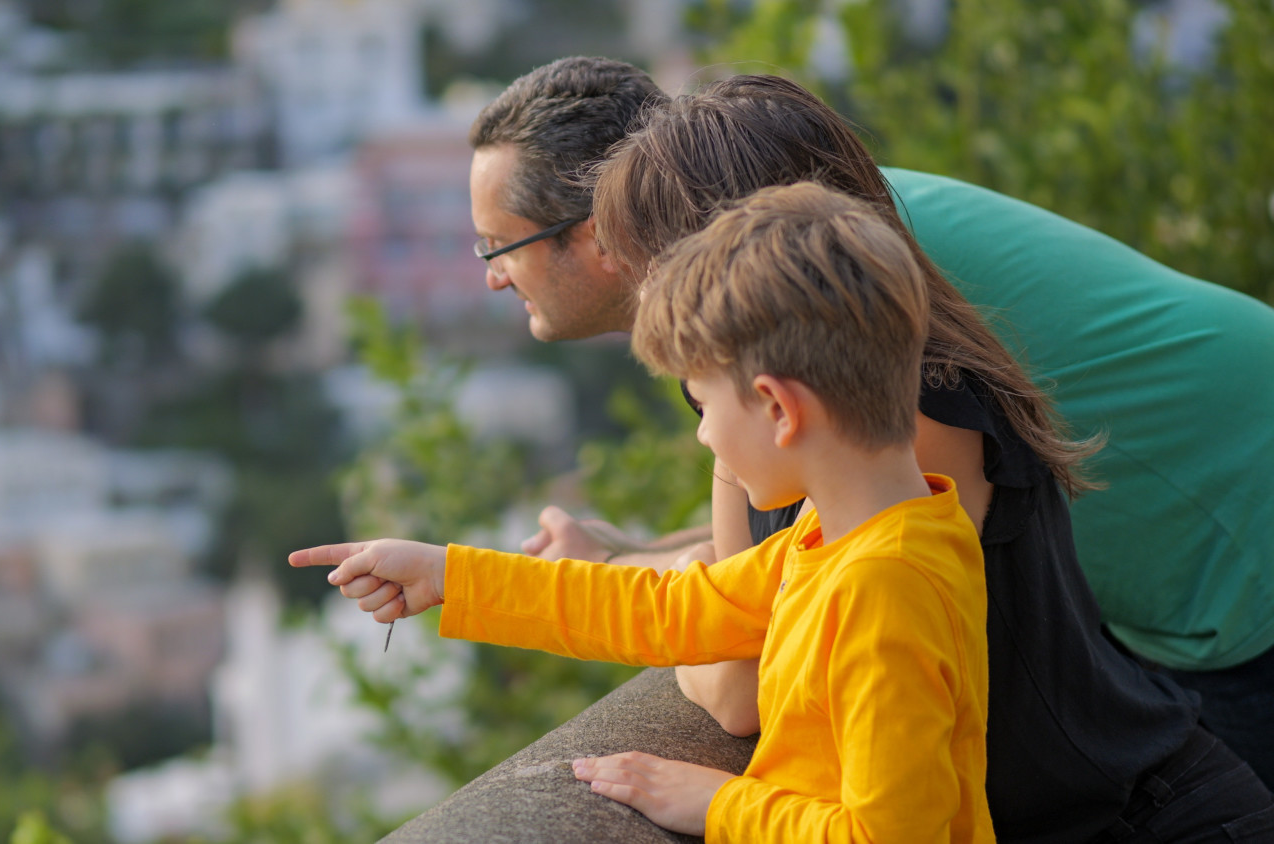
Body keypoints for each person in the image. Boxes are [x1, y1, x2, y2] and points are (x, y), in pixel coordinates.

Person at [469, 58, 1274, 841]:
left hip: (1231, 564)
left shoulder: (914, 412)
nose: (646, 284)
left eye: (649, 253)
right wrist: (639, 556)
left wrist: (713, 792)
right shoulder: (873, 318)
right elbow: (785, 562)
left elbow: (738, 680)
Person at [296, 183, 996, 842]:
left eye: (704, 404)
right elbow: (666, 608)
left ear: (778, 408)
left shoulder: (882, 591)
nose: (704, 435)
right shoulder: (860, 535)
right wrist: (452, 575)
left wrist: (716, 801)